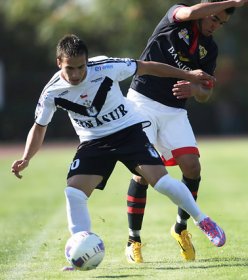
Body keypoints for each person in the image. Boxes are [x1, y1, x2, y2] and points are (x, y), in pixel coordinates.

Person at [10, 34, 225, 269]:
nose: (76, 74)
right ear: (58, 63)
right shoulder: (52, 91)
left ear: (87, 61)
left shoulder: (105, 66)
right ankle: (79, 252)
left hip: (128, 132)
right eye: (70, 68)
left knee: (161, 182)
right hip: (94, 142)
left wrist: (187, 75)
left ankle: (201, 220)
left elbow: (146, 67)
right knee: (73, 193)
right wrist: (26, 158)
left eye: (81, 67)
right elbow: (40, 127)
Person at [125, 0, 248, 263]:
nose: (215, 25)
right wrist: (234, 1)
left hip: (174, 111)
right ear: (205, 9)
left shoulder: (210, 49)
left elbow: (206, 92)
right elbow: (191, 12)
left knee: (192, 168)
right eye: (213, 18)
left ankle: (180, 228)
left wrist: (195, 89)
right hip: (143, 102)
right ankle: (133, 240)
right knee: (143, 173)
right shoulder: (177, 16)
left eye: (221, 23)